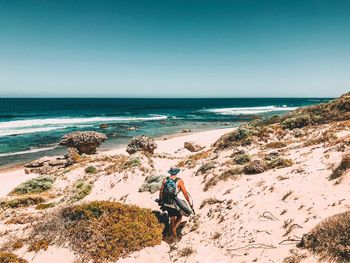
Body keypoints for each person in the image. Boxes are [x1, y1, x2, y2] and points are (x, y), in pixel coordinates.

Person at [159, 166, 192, 241]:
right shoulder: (179, 181)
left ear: (170, 172)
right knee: (179, 216)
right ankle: (174, 230)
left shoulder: (165, 180)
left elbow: (161, 191)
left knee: (172, 218)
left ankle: (173, 235)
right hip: (175, 203)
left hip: (167, 202)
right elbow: (185, 193)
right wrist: (189, 201)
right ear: (176, 172)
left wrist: (161, 200)